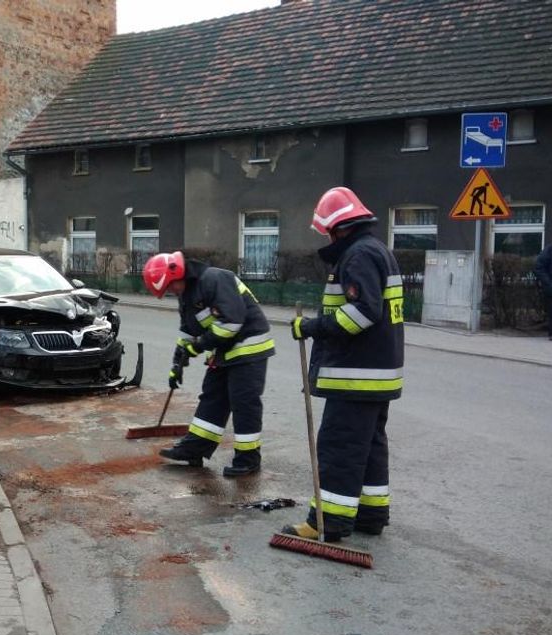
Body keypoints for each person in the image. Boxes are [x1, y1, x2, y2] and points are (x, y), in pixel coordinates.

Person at [283, 186, 404, 542]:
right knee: (368, 447)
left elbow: (363, 313)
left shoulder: (358, 255)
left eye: (327, 232)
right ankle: (370, 514)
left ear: (337, 227)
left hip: (355, 376)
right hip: (377, 375)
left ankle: (327, 522)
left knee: (338, 448)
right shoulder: (378, 250)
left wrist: (311, 327)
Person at [144, 251, 276, 477]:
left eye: (170, 286)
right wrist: (177, 364)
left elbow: (231, 322)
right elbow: (187, 332)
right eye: (167, 290)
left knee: (244, 404)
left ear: (180, 273)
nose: (171, 291)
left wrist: (199, 346)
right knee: (212, 398)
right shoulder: (186, 295)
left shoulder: (214, 279)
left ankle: (248, 459)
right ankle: (194, 449)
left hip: (248, 347)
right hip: (224, 351)